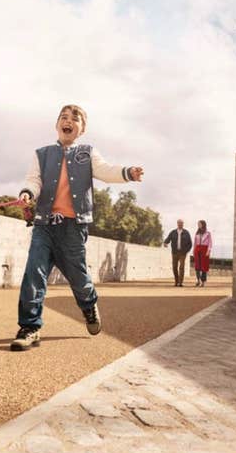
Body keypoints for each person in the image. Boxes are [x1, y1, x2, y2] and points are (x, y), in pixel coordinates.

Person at [10, 105, 144, 351]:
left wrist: (128, 173)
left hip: (73, 228)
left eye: (75, 119)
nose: (68, 121)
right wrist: (27, 193)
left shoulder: (87, 153)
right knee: (33, 274)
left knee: (79, 279)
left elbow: (106, 171)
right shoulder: (42, 154)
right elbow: (33, 180)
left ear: (82, 129)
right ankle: (30, 327)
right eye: (64, 117)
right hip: (44, 225)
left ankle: (89, 305)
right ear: (57, 125)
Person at [163, 219, 193, 287]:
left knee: (181, 267)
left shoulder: (186, 233)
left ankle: (180, 282)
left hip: (183, 253)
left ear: (183, 224)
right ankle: (176, 281)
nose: (180, 224)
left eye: (181, 223)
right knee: (174, 267)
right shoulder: (173, 232)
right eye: (179, 223)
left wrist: (186, 251)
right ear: (177, 224)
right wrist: (165, 242)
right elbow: (168, 239)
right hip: (174, 252)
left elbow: (190, 244)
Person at [192, 220, 212, 287]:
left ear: (203, 224)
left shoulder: (208, 233)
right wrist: (193, 250)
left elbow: (210, 243)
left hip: (204, 249)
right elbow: (195, 243)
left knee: (204, 266)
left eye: (199, 224)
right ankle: (198, 280)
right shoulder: (197, 233)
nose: (198, 225)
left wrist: (208, 251)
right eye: (198, 224)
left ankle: (203, 281)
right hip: (197, 249)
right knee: (197, 266)